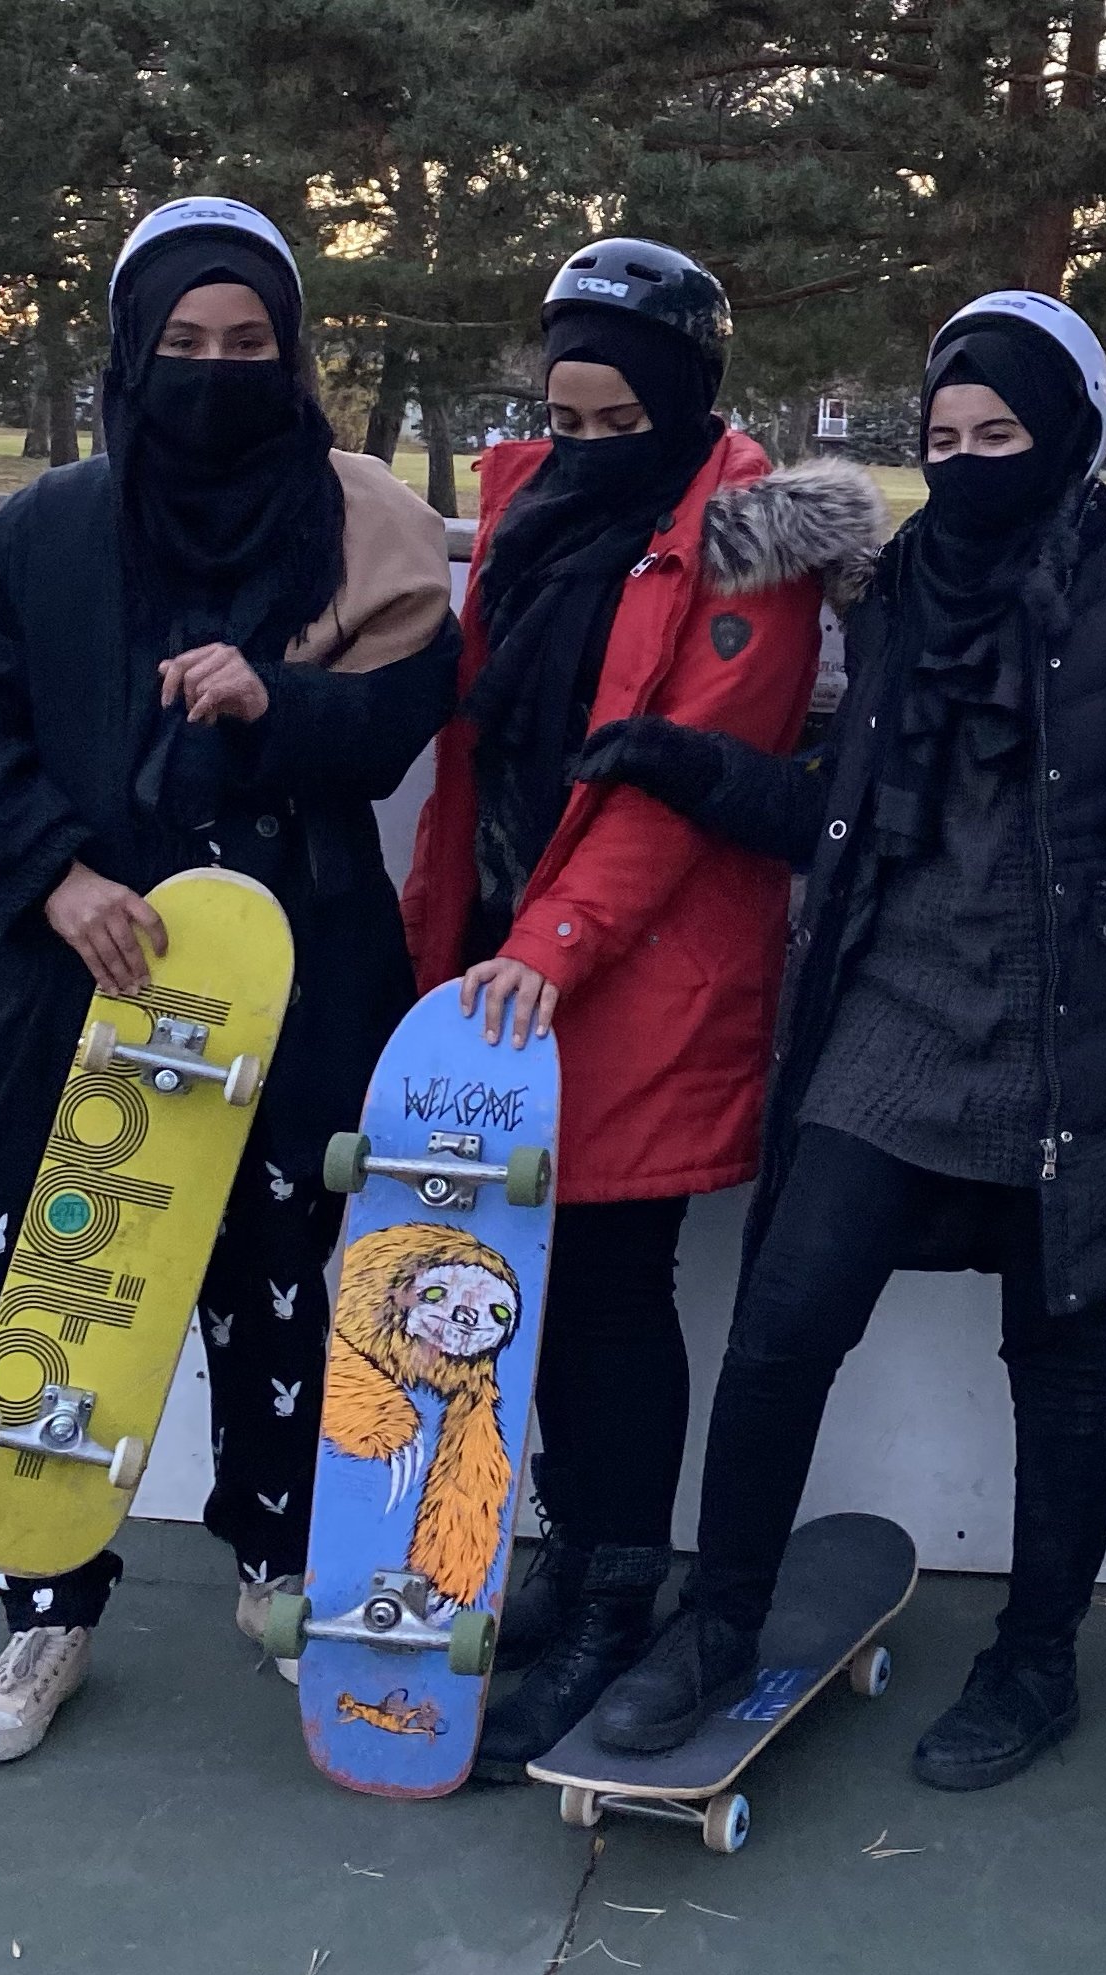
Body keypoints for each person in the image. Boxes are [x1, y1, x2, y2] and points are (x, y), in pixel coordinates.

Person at [574, 291, 1106, 1791]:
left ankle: (1036, 1655)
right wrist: (684, 761)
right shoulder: (893, 588)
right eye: (943, 436)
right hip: (891, 1013)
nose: (966, 462)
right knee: (780, 1326)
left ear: (1071, 439)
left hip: (1066, 1025)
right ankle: (719, 1621)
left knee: (1058, 1360)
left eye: (1001, 435)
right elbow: (833, 815)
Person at [0, 197, 461, 1763]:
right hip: (73, 991)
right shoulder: (39, 533)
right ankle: (44, 1615)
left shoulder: (354, 523)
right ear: (134, 353)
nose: (216, 371)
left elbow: (402, 715)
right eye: (185, 346)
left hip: (296, 981)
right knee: (61, 1301)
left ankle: (279, 1573)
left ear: (291, 353)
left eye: (250, 345)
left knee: (287, 1289)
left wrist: (272, 695)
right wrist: (58, 878)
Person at [399, 237, 885, 1777]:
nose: (591, 445)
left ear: (682, 396)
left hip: (637, 970)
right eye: (570, 414)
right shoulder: (532, 502)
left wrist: (553, 938)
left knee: (611, 1285)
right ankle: (569, 1544)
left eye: (621, 420)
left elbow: (678, 786)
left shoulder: (750, 546)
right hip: (501, 941)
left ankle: (621, 1589)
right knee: (523, 1280)